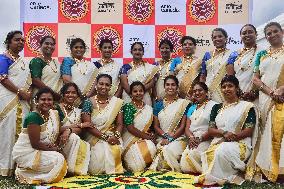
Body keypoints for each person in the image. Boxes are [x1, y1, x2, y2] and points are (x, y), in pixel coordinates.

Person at [196, 75, 257, 185]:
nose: (226, 89)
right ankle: (224, 176)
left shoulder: (247, 106)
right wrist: (224, 133)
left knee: (222, 149)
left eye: (230, 86)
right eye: (224, 87)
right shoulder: (216, 108)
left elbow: (249, 130)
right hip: (218, 142)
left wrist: (231, 137)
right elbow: (211, 129)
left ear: (237, 88)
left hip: (240, 144)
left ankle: (217, 178)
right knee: (211, 151)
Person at [246, 22, 284, 183]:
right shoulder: (261, 54)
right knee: (266, 131)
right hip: (265, 98)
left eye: (275, 31)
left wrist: (281, 90)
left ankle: (280, 169)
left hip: (282, 98)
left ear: (282, 32)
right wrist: (271, 92)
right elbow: (255, 78)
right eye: (268, 33)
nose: (272, 35)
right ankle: (265, 167)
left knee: (280, 131)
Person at [12, 88, 68, 184]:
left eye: (49, 99)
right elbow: (35, 144)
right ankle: (24, 172)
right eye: (43, 99)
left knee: (60, 159)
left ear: (53, 102)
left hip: (36, 150)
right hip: (26, 153)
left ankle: (29, 171)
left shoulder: (48, 115)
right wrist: (56, 149)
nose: (46, 102)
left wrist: (69, 130)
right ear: (37, 101)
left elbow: (48, 136)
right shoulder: (33, 117)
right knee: (58, 159)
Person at [0, 31, 32, 176]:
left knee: (22, 133)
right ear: (9, 41)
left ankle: (19, 167)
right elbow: (3, 79)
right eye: (17, 40)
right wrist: (20, 92)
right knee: (7, 132)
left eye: (22, 40)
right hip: (8, 99)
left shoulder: (24, 61)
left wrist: (28, 94)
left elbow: (29, 81)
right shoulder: (3, 58)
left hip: (23, 101)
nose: (20, 42)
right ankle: (5, 167)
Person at [81, 74, 124, 174]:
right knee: (95, 168)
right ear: (96, 85)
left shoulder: (116, 102)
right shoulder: (88, 102)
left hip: (113, 135)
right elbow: (88, 125)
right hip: (93, 137)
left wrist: (116, 136)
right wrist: (106, 138)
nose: (103, 87)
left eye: (107, 85)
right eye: (101, 84)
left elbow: (119, 124)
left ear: (110, 87)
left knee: (114, 149)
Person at [149, 75, 189, 172]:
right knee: (157, 149)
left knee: (168, 150)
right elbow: (156, 126)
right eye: (167, 85)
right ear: (164, 86)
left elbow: (183, 126)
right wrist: (165, 136)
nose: (170, 87)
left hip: (179, 138)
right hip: (162, 138)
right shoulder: (158, 105)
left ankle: (174, 170)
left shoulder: (184, 103)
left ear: (177, 87)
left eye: (173, 85)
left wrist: (170, 138)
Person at [180, 82, 217, 173]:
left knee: (192, 154)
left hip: (207, 138)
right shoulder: (192, 108)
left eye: (200, 90)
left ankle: (205, 173)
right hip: (192, 139)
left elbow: (214, 127)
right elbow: (187, 128)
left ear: (206, 92)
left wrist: (200, 139)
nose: (197, 93)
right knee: (184, 163)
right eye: (195, 91)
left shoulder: (214, 106)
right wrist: (191, 138)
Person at [55, 83, 91, 176]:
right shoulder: (56, 108)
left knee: (74, 137)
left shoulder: (78, 111)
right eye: (67, 92)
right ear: (63, 94)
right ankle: (65, 168)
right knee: (74, 137)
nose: (70, 95)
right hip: (56, 141)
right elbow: (55, 129)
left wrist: (68, 131)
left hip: (69, 140)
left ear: (77, 95)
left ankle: (70, 169)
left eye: (73, 93)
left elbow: (80, 130)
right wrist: (71, 127)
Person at [122, 81, 157, 172]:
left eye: (141, 91)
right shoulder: (128, 107)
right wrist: (147, 137)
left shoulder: (149, 108)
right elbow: (130, 128)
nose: (138, 93)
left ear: (144, 92)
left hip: (144, 140)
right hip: (130, 140)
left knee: (151, 147)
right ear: (131, 93)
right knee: (135, 167)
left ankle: (145, 163)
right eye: (135, 91)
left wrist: (151, 134)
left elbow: (150, 127)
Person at [226, 24, 262, 101]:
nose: (247, 35)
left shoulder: (263, 52)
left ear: (256, 34)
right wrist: (239, 92)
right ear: (241, 36)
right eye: (244, 33)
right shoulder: (234, 54)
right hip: (238, 96)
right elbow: (230, 78)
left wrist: (255, 92)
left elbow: (265, 75)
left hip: (259, 95)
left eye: (250, 32)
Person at [200, 28, 231, 103]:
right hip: (209, 91)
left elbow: (232, 75)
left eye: (220, 36)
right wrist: (203, 91)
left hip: (225, 90)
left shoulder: (232, 54)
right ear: (212, 40)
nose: (217, 39)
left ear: (226, 38)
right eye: (214, 37)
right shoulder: (207, 55)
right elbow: (203, 76)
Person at [29, 36, 62, 101]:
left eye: (52, 44)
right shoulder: (36, 61)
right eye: (47, 43)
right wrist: (52, 94)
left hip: (56, 99)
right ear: (41, 45)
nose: (49, 46)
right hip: (41, 99)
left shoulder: (56, 63)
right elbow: (35, 80)